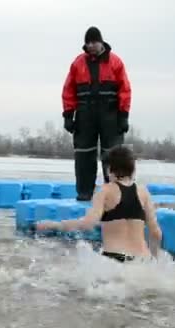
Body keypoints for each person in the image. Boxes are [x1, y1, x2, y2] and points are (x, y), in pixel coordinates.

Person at [36, 146, 162, 262]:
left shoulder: (105, 191)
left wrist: (54, 225)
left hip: (115, 260)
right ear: (133, 169)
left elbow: (87, 224)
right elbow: (156, 233)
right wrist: (154, 259)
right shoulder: (144, 193)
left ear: (109, 169)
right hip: (143, 261)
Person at [61, 26, 132, 201]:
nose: (91, 45)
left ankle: (116, 194)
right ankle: (85, 192)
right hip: (85, 115)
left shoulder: (115, 62)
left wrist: (123, 115)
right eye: (88, 42)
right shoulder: (78, 63)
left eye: (94, 42)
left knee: (113, 155)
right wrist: (68, 115)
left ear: (101, 42)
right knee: (84, 154)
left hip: (110, 115)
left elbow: (125, 89)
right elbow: (68, 90)